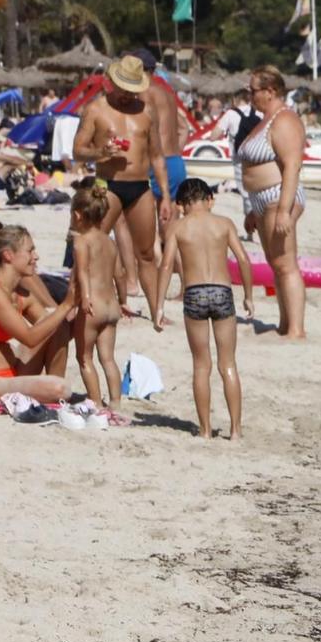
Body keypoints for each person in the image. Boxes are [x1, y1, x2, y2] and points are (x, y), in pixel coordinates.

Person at [72, 54, 172, 323]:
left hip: (141, 186)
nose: (128, 95)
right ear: (113, 83)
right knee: (94, 245)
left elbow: (157, 156)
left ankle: (156, 312)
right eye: (124, 88)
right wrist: (100, 152)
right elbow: (78, 151)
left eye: (133, 89)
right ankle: (87, 301)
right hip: (108, 184)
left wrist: (165, 196)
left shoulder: (146, 111)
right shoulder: (96, 109)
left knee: (147, 254)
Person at [160, 178, 252, 439]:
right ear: (209, 199)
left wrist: (157, 306)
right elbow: (243, 259)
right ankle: (235, 430)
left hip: (195, 293)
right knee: (228, 364)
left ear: (181, 205)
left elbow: (166, 266)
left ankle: (205, 430)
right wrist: (248, 296)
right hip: (222, 291)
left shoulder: (178, 228)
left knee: (202, 366)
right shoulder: (224, 224)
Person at [0, 225, 78, 403]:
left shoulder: (19, 293)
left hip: (12, 372)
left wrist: (81, 305)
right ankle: (56, 393)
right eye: (30, 251)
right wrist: (66, 304)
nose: (35, 257)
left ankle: (57, 396)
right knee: (59, 388)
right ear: (8, 255)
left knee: (59, 326)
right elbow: (29, 338)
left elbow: (52, 326)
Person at [238, 67, 307, 341]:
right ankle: (284, 324)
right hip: (263, 200)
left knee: (286, 263)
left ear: (271, 91)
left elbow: (292, 166)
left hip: (279, 196)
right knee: (276, 263)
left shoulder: (284, 119)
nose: (249, 95)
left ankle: (296, 329)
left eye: (253, 90)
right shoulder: (264, 119)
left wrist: (283, 211)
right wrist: (254, 210)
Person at [68, 184, 124, 413]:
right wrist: (123, 301)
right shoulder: (109, 242)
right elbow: (120, 274)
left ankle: (97, 403)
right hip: (111, 307)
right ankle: (116, 403)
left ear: (77, 215)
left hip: (93, 306)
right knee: (108, 359)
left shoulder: (82, 241)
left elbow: (81, 272)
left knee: (84, 358)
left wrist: (85, 298)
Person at [132, 48, 188, 216]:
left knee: (149, 227)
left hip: (157, 162)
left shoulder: (144, 91)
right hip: (175, 161)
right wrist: (175, 152)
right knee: (170, 228)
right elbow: (184, 127)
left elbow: (144, 126)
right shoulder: (167, 94)